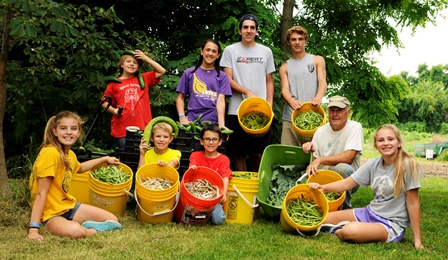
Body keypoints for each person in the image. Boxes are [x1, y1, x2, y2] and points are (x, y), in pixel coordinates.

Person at [309, 124, 424, 249]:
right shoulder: (373, 164)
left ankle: (338, 230)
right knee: (322, 218)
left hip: (390, 223)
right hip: (370, 213)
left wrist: (417, 240)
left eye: (390, 139)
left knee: (349, 231)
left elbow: (413, 202)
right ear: (376, 146)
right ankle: (348, 226)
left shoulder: (409, 165)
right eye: (381, 140)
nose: (386, 143)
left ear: (399, 143)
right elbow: (347, 183)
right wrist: (322, 187)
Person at [27, 111, 122, 242]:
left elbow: (81, 168)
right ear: (55, 131)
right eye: (63, 128)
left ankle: (83, 225)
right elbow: (40, 194)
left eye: (73, 128)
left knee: (113, 220)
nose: (69, 132)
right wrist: (33, 230)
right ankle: (89, 231)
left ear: (78, 132)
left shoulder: (70, 154)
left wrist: (104, 159)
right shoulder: (50, 153)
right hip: (51, 213)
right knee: (76, 231)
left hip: (68, 206)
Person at [220, 14, 275, 171]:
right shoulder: (230, 50)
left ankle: (257, 192)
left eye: (252, 28)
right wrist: (247, 91)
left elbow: (269, 81)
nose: (249, 31)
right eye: (245, 27)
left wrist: (269, 106)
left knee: (259, 154)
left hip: (261, 112)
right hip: (237, 111)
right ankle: (242, 191)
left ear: (257, 31)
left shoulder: (266, 52)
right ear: (239, 31)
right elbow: (227, 79)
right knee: (239, 154)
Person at [302, 95, 363, 209]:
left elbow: (349, 157)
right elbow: (316, 164)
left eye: (339, 110)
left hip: (349, 179)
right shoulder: (320, 131)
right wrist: (312, 162)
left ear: (348, 112)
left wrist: (321, 160)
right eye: (332, 110)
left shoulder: (355, 128)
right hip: (324, 180)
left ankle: (344, 209)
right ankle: (324, 202)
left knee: (342, 168)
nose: (335, 114)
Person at [102, 50, 166, 151]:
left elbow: (161, 71)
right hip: (122, 128)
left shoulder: (144, 78)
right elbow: (104, 103)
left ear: (138, 67)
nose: (132, 64)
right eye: (128, 61)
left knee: (143, 156)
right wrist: (114, 111)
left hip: (143, 127)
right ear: (122, 65)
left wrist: (145, 58)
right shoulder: (114, 83)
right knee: (126, 156)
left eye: (135, 63)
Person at [280, 25, 327, 146]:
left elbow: (322, 82)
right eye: (293, 39)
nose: (297, 42)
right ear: (288, 42)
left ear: (305, 40)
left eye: (300, 39)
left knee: (313, 157)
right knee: (289, 157)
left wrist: (318, 97)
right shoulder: (284, 67)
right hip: (290, 118)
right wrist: (291, 101)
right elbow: (284, 90)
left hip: (313, 115)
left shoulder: (317, 60)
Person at [176, 39, 232, 128]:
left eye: (214, 51)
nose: (210, 53)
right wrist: (182, 117)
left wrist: (221, 124)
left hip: (212, 123)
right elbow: (180, 97)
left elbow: (221, 101)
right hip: (191, 123)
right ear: (201, 52)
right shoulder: (189, 73)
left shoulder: (222, 76)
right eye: (208, 50)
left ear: (218, 55)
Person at [189, 124, 232, 225]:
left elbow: (225, 177)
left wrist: (223, 194)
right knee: (190, 215)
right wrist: (192, 169)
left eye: (214, 139)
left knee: (218, 220)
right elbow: (192, 169)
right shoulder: (195, 155)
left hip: (214, 199)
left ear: (220, 142)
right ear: (201, 141)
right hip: (197, 197)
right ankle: (202, 216)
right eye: (207, 139)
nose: (211, 142)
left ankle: (205, 216)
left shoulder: (224, 159)